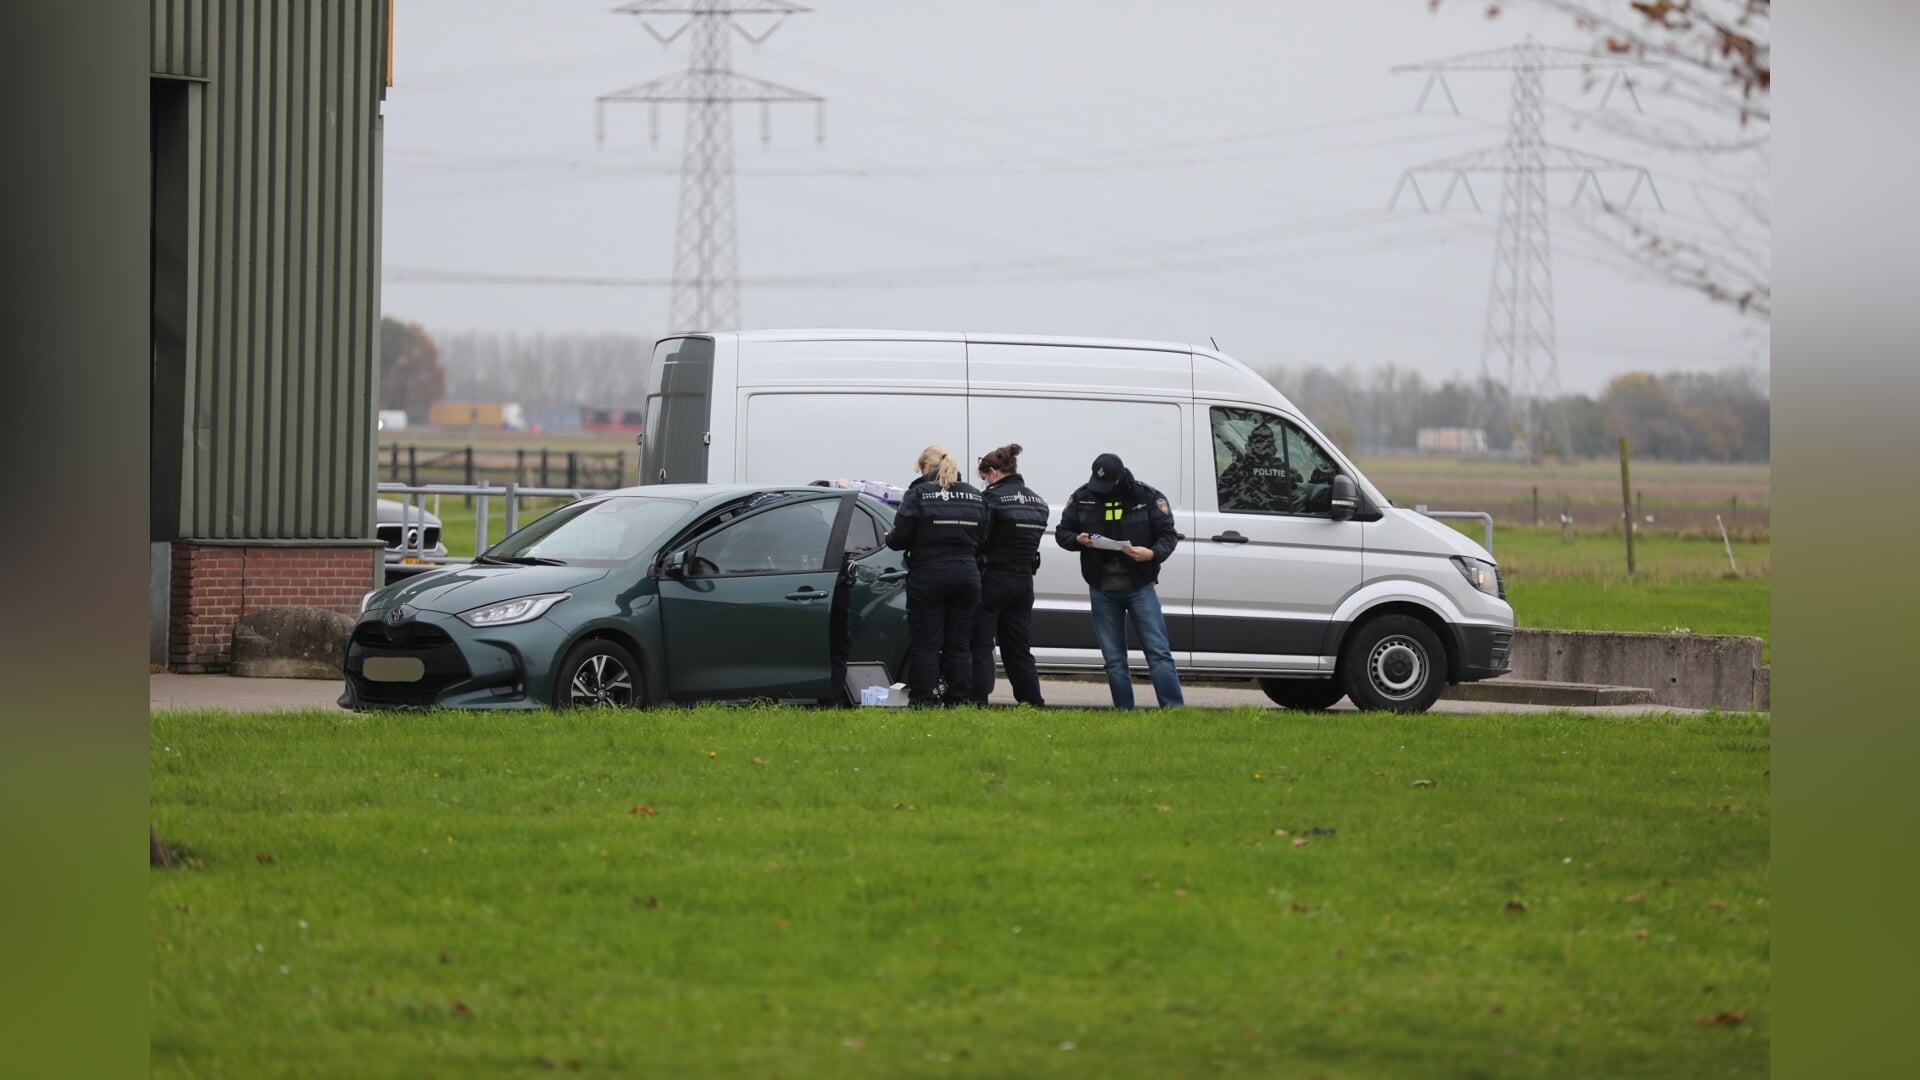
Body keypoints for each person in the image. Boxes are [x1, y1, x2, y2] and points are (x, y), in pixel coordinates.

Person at [1055, 452, 1184, 709]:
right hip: (1101, 587)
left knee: (1158, 652)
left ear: (1119, 478)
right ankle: (1123, 711)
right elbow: (1062, 532)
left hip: (1140, 586)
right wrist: (1076, 540)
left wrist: (1152, 554)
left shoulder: (1147, 497)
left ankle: (1174, 711)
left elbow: (1168, 535)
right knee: (1114, 659)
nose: (1101, 490)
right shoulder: (1083, 497)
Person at [885, 445, 988, 706]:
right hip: (967, 575)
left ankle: (923, 699)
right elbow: (984, 539)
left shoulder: (919, 493)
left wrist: (890, 537)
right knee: (960, 644)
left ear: (927, 468)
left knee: (927, 643)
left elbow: (899, 538)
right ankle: (959, 699)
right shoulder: (976, 495)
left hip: (929, 575)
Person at [968, 443, 1049, 706]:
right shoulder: (1039, 502)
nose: (984, 484)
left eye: (983, 478)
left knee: (980, 644)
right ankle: (1032, 702)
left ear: (992, 472)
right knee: (1018, 649)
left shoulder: (990, 500)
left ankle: (976, 701)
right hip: (1024, 581)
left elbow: (980, 538)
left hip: (992, 578)